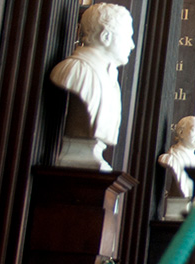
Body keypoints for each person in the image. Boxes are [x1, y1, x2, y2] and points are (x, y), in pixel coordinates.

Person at [49, 3, 134, 171]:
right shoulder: (76, 72)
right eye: (128, 36)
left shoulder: (111, 81)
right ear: (106, 37)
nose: (131, 45)